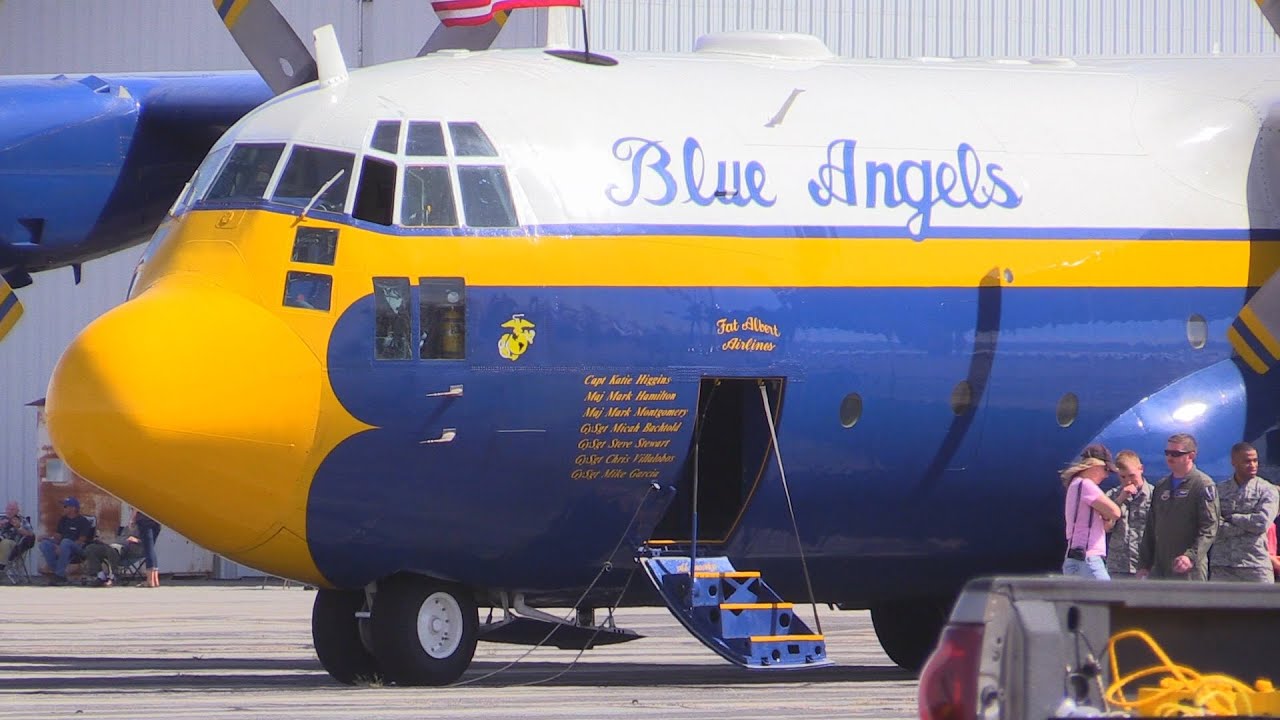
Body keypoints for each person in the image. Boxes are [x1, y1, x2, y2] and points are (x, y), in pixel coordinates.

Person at [1137, 433, 1220, 580]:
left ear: (1191, 455)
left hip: (1188, 569)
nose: (1170, 457)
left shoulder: (1202, 485)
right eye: (1167, 453)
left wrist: (1190, 556)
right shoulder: (1162, 486)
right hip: (1160, 567)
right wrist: (1144, 564)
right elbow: (1151, 527)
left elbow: (1209, 528)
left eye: (1176, 453)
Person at [1209, 442, 1279, 582]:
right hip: (1222, 565)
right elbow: (1212, 524)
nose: (1253, 465)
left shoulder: (1267, 490)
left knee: (1262, 603)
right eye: (1247, 461)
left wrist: (1233, 518)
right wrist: (1247, 527)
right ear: (1234, 462)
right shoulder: (1218, 490)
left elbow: (1261, 523)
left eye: (1255, 460)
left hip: (1255, 564)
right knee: (1218, 604)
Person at [1061, 456, 1122, 579]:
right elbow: (1115, 512)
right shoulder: (1086, 484)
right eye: (1106, 470)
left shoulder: (1074, 484)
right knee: (1109, 597)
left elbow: (1104, 527)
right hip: (1088, 557)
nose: (1106, 476)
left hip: (1072, 555)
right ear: (1095, 465)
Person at [1105, 450, 1155, 578]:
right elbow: (1105, 527)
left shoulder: (1155, 495)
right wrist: (1120, 500)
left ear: (1141, 469)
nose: (1128, 481)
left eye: (1132, 476)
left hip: (1145, 565)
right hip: (1118, 566)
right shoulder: (1112, 496)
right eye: (1123, 477)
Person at [37, 496, 95, 586]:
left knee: (66, 542)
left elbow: (81, 540)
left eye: (65, 506)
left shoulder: (83, 521)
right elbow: (58, 536)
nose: (63, 508)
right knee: (44, 544)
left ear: (73, 508)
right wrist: (47, 537)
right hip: (63, 545)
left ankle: (59, 575)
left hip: (77, 548)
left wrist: (62, 546)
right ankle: (58, 573)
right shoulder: (63, 520)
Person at [130, 510, 162, 588]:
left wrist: (132, 519)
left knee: (148, 550)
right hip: (157, 520)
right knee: (151, 549)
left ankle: (150, 580)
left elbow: (137, 505)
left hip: (145, 520)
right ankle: (155, 580)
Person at [0, 500, 35, 571]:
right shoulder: (1, 518)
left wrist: (18, 527)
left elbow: (31, 534)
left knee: (5, 542)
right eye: (8, 509)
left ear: (17, 511)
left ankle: (1, 566)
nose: (9, 511)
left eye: (12, 509)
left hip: (13, 545)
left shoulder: (22, 520)